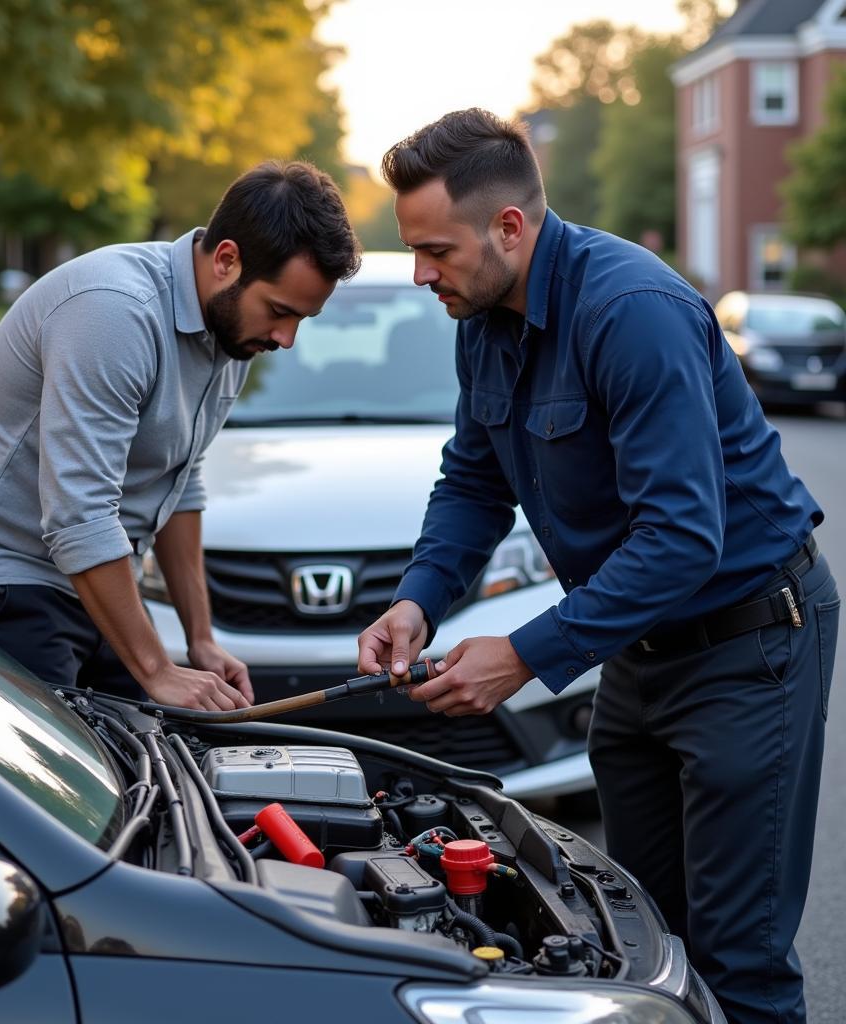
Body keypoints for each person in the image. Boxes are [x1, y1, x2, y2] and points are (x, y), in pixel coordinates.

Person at [357, 108, 838, 1024]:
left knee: (740, 961)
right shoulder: (482, 314)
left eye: (435, 251)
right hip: (639, 650)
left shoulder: (632, 311)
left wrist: (526, 654)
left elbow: (683, 537)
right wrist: (419, 600)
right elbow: (472, 481)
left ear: (509, 227)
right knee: (639, 932)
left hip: (751, 646)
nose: (422, 274)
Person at [0, 160, 360, 711]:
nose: (286, 338)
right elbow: (79, 515)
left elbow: (179, 480)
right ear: (227, 260)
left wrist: (200, 640)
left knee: (166, 771)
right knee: (63, 789)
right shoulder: (115, 313)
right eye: (280, 312)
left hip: (91, 579)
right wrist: (155, 669)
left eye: (301, 320)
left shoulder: (233, 330)